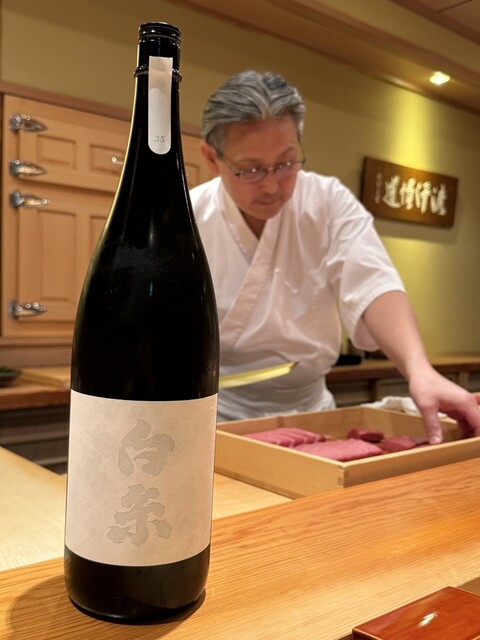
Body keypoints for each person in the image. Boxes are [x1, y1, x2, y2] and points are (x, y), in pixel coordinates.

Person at [189, 69, 480, 443]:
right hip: (215, 413)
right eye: (251, 169)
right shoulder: (186, 216)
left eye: (286, 162)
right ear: (212, 158)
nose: (272, 185)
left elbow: (373, 284)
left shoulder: (327, 202)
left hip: (311, 411)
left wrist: (418, 368)